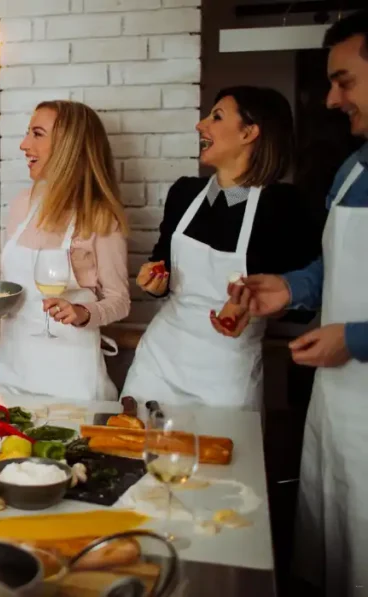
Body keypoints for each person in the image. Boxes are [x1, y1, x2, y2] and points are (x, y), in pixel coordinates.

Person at [244, 11, 368, 594]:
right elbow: (340, 262)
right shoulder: (352, 168)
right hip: (339, 405)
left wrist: (358, 338)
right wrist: (293, 287)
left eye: (344, 80)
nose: (331, 98)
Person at [122, 86, 322, 410]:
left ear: (249, 132)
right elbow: (163, 262)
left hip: (227, 371)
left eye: (216, 117)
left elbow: (303, 306)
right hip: (159, 359)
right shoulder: (185, 193)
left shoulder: (283, 206)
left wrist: (253, 304)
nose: (201, 125)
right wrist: (154, 280)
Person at [0, 100, 130, 401]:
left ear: (68, 145)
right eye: (28, 133)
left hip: (71, 377)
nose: (24, 145)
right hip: (13, 367)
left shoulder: (100, 217)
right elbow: (19, 290)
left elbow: (120, 301)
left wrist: (82, 313)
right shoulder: (21, 205)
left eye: (37, 134)